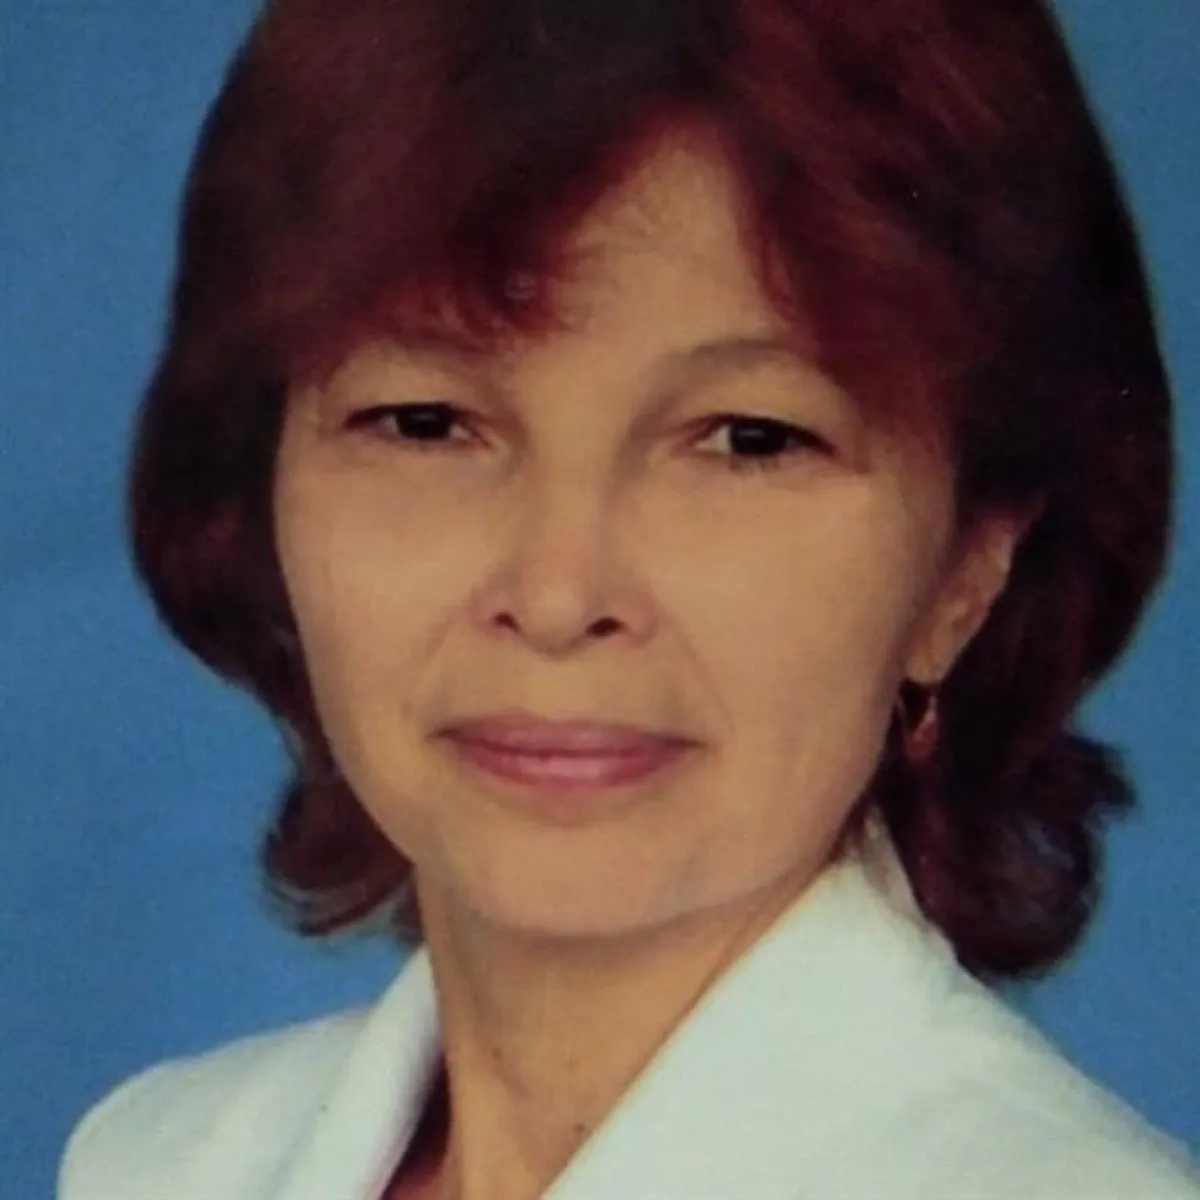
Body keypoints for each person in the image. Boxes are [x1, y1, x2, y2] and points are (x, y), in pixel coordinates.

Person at [58, 0, 1199, 1197]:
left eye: (748, 439)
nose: (558, 596)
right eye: (426, 422)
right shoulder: (163, 1161)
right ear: (262, 488)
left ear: (967, 569)